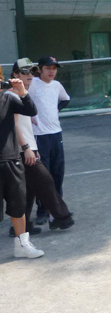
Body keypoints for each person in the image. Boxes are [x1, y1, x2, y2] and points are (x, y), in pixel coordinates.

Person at [9, 59, 74, 236]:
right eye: (24, 72)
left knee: (28, 190)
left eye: (31, 71)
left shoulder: (22, 94)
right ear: (15, 75)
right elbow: (14, 125)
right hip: (22, 150)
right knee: (46, 181)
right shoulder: (12, 96)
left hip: (29, 147)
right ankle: (61, 217)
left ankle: (22, 226)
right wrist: (26, 148)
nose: (29, 75)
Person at [0, 74, 44, 258]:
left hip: (11, 159)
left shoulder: (8, 98)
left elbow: (31, 110)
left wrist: (22, 92)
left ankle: (22, 245)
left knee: (18, 205)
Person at [28, 56, 70, 225]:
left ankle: (58, 210)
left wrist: (57, 109)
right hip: (40, 135)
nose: (52, 71)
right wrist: (28, 114)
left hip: (56, 134)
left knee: (58, 173)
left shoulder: (57, 85)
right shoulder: (33, 84)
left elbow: (66, 99)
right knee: (43, 176)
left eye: (54, 68)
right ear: (40, 69)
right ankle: (43, 211)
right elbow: (21, 99)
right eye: (48, 68)